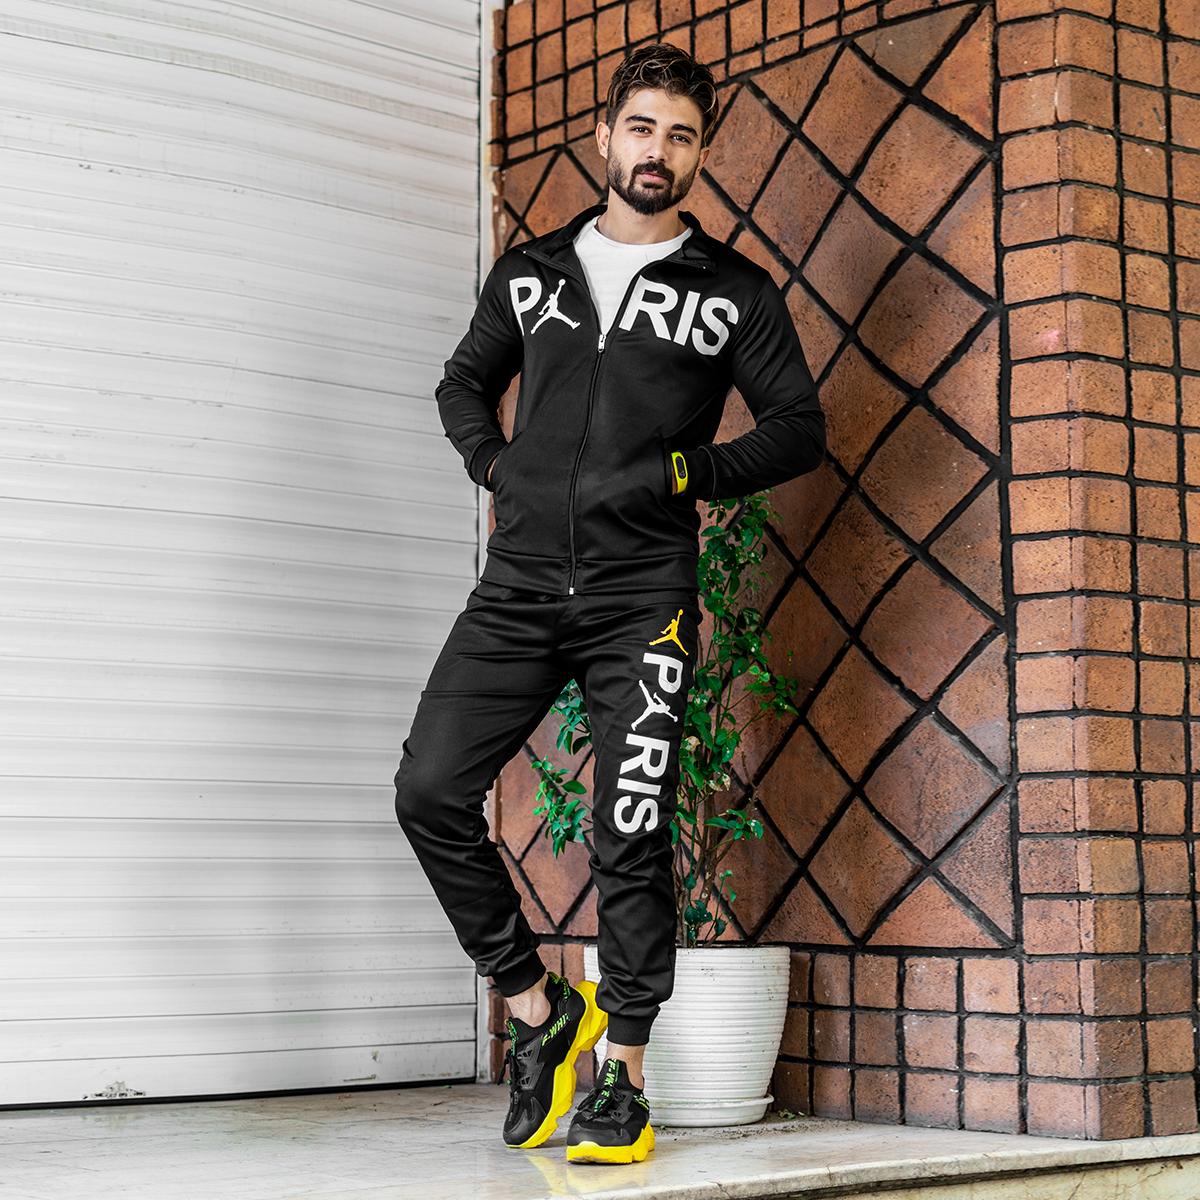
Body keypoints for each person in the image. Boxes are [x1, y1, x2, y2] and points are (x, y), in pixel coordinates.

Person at [394, 43, 825, 1165]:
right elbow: (462, 381)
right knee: (429, 789)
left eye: (681, 135)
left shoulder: (733, 292)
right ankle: (537, 1008)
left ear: (701, 153)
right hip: (520, 586)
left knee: (631, 832)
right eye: (642, 128)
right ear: (605, 136)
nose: (658, 151)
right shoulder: (532, 272)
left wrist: (685, 472)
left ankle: (623, 1076)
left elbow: (798, 428)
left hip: (645, 600)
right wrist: (499, 465)